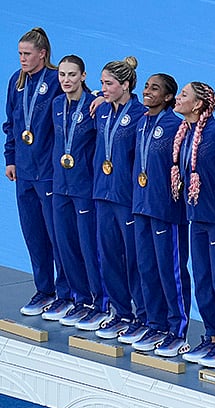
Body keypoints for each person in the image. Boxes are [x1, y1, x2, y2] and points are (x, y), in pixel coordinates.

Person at [167, 81, 215, 362]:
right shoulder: (184, 133)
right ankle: (212, 335)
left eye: (184, 95)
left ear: (198, 104)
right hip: (195, 218)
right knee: (203, 279)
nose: (178, 98)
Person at [121, 74, 188, 348]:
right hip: (141, 205)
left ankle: (177, 329)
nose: (147, 91)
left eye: (155, 89)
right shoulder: (142, 122)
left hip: (166, 210)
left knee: (169, 271)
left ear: (168, 97)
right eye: (147, 87)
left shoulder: (176, 126)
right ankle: (155, 323)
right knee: (145, 267)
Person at [4, 27, 64, 316]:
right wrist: (10, 158)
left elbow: (76, 109)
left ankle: (68, 294)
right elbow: (11, 123)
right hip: (25, 173)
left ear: (43, 54)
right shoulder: (16, 81)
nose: (22, 59)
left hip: (50, 172)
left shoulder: (55, 80)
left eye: (27, 54)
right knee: (33, 234)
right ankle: (44, 290)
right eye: (19, 54)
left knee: (58, 235)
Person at [91, 56, 146, 337]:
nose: (103, 88)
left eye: (109, 84)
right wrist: (98, 97)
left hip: (126, 196)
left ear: (125, 85)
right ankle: (121, 312)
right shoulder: (100, 110)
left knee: (134, 259)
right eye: (101, 83)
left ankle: (143, 315)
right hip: (102, 193)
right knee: (109, 255)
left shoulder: (139, 114)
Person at [48, 55, 99, 328]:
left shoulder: (93, 106)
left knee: (88, 246)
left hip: (84, 187)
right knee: (64, 243)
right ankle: (77, 298)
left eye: (71, 75)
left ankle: (98, 300)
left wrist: (101, 96)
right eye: (62, 75)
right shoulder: (57, 104)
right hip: (60, 185)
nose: (66, 80)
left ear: (83, 76)